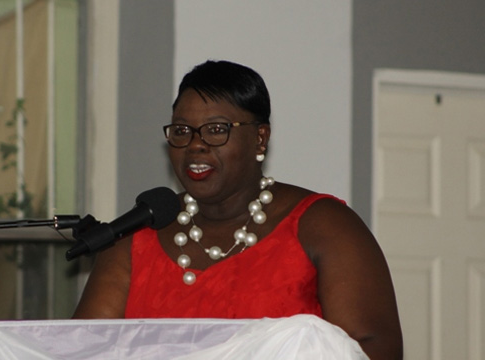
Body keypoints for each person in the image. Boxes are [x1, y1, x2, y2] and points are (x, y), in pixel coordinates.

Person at [73, 60, 403, 359]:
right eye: (181, 131)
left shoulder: (324, 226)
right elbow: (82, 350)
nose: (195, 144)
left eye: (216, 130)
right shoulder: (133, 240)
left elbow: (373, 347)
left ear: (260, 138)